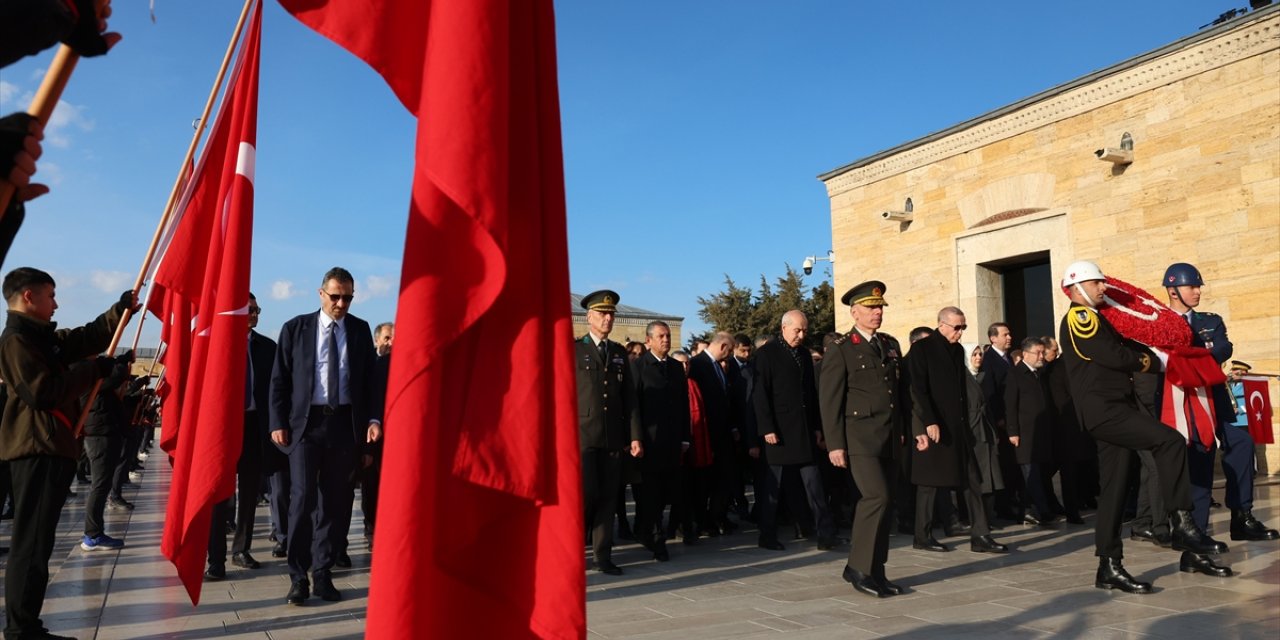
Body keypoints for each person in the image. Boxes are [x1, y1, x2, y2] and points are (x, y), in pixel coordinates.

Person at [1057, 260, 1218, 593]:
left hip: (1112, 408)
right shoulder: (1081, 316)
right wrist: (1155, 362)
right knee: (1170, 441)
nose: (1104, 288)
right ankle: (1181, 521)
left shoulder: (1099, 318)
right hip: (1106, 410)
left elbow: (1123, 348)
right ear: (1076, 288)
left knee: (1114, 490)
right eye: (1096, 284)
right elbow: (1112, 355)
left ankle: (1109, 566)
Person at [0, 267, 134, 640]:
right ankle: (21, 629)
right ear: (29, 296)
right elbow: (42, 392)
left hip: (53, 447)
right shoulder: (16, 341)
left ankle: (27, 624)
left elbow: (82, 338)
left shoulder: (41, 338)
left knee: (39, 544)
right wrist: (93, 370)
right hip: (36, 447)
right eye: (50, 295)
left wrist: (118, 311)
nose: (56, 303)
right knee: (31, 545)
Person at [270, 267, 381, 605]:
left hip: (345, 427)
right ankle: (297, 577)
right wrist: (277, 421)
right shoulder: (296, 329)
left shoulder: (360, 331)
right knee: (302, 501)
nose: (341, 303)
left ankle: (322, 573)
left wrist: (373, 420)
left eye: (348, 297)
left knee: (336, 504)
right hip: (307, 426)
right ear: (321, 294)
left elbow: (370, 383)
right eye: (335, 296)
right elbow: (279, 380)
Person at [1161, 263, 1276, 545]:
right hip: (1184, 402)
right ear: (1173, 291)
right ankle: (1196, 529)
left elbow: (1224, 347)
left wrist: (1192, 357)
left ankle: (1241, 515)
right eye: (1192, 287)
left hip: (1216, 397)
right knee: (1199, 457)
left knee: (1242, 443)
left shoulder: (1209, 321)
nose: (1198, 292)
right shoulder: (1160, 323)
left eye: (1198, 286)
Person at [820, 281, 904, 598]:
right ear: (855, 312)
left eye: (880, 307)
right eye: (871, 308)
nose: (877, 312)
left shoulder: (889, 344)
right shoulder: (841, 348)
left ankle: (876, 571)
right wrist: (835, 444)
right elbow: (830, 401)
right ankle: (857, 567)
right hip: (860, 440)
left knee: (887, 503)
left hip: (890, 436)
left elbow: (897, 392)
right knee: (876, 497)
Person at [910, 307, 1008, 555]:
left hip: (959, 427)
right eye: (957, 327)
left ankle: (981, 535)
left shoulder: (956, 350)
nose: (960, 332)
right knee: (929, 484)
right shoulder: (922, 349)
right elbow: (917, 389)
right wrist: (928, 421)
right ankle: (922, 535)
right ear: (941, 324)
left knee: (973, 480)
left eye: (964, 327)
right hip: (935, 427)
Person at [752, 310, 839, 552]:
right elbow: (760, 394)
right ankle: (767, 534)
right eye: (796, 330)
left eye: (804, 331)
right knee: (772, 487)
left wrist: (817, 427)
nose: (801, 335)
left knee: (814, 484)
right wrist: (766, 427)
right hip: (777, 432)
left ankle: (826, 533)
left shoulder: (802, 354)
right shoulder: (766, 354)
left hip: (802, 431)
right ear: (784, 328)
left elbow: (811, 394)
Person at [206, 294, 274, 579]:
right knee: (219, 494)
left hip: (254, 425)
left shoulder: (267, 347)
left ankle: (241, 549)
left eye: (257, 309)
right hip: (222, 427)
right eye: (249, 309)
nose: (255, 314)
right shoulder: (216, 345)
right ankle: (216, 558)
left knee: (249, 492)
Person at [575, 290, 641, 575]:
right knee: (587, 494)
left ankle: (603, 556)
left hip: (613, 436)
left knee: (608, 496)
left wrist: (634, 435)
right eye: (602, 313)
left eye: (611, 314)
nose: (608, 318)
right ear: (589, 317)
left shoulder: (617, 353)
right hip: (583, 436)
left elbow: (629, 398)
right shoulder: (575, 349)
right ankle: (575, 549)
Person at [630, 321, 689, 562]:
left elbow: (683, 405)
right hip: (649, 443)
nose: (666, 339)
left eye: (667, 336)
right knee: (650, 494)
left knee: (668, 491)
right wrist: (635, 437)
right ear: (649, 340)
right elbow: (634, 407)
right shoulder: (639, 367)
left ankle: (649, 531)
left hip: (673, 441)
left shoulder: (676, 367)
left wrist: (685, 437)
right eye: (661, 336)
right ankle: (656, 540)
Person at [687, 332, 741, 538]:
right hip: (706, 435)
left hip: (723, 434)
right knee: (704, 483)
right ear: (724, 347)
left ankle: (717, 516)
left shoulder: (717, 365)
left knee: (724, 479)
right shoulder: (698, 364)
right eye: (729, 351)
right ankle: (703, 521)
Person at [1004, 337, 1058, 527]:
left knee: (1040, 472)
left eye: (1043, 352)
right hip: (1024, 434)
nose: (1041, 356)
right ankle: (1042, 510)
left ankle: (1027, 509)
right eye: (1038, 353)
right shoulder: (1015, 374)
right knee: (1030, 473)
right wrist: (1013, 431)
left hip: (1042, 432)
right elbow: (1010, 405)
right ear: (1025, 354)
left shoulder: (1040, 374)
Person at [80, 363, 131, 552]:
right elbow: (117, 377)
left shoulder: (97, 384)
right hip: (100, 438)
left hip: (104, 436)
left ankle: (94, 531)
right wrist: (120, 363)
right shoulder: (90, 383)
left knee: (101, 486)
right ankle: (92, 535)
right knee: (99, 487)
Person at [964, 345, 1005, 531]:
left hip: (986, 431)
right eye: (974, 354)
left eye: (980, 353)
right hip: (973, 433)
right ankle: (976, 519)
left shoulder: (984, 376)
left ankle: (988, 516)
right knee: (977, 478)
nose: (978, 357)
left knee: (991, 475)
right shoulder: (964, 378)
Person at [364, 321, 393, 551]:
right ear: (377, 341)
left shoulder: (398, 365)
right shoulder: (372, 365)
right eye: (387, 338)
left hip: (395, 439)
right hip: (373, 438)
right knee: (371, 485)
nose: (391, 343)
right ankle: (371, 527)